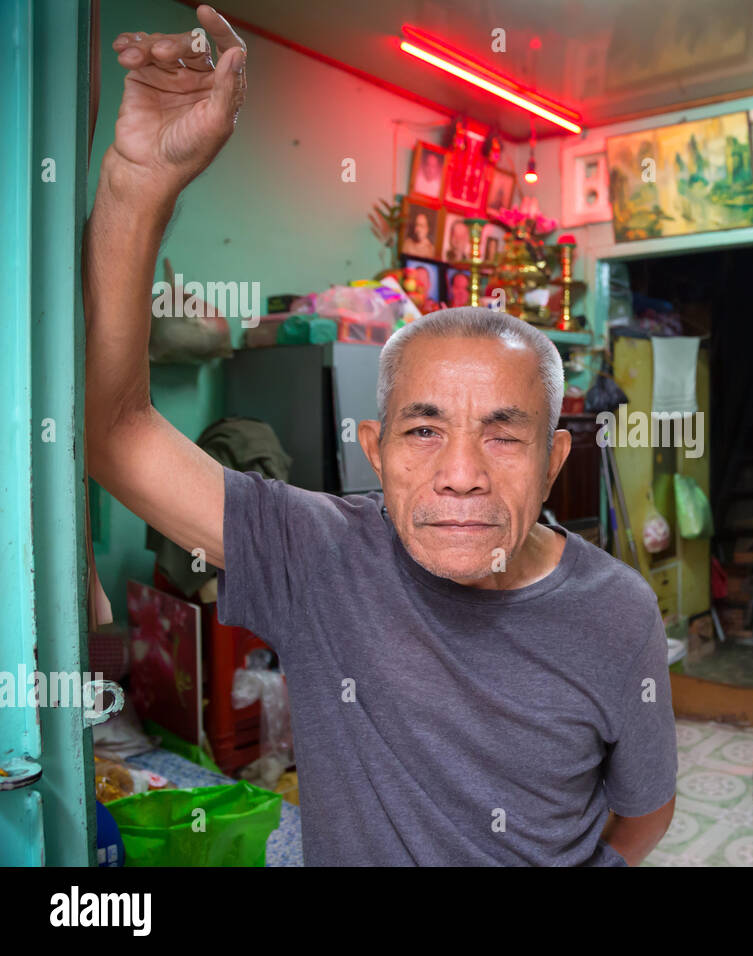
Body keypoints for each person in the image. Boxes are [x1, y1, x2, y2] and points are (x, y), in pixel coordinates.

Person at [85, 4, 676, 867]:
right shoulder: (322, 554)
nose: (461, 475)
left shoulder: (618, 611)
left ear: (555, 461)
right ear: (374, 450)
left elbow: (642, 821)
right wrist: (139, 182)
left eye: (505, 437)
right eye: (424, 430)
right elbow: (113, 432)